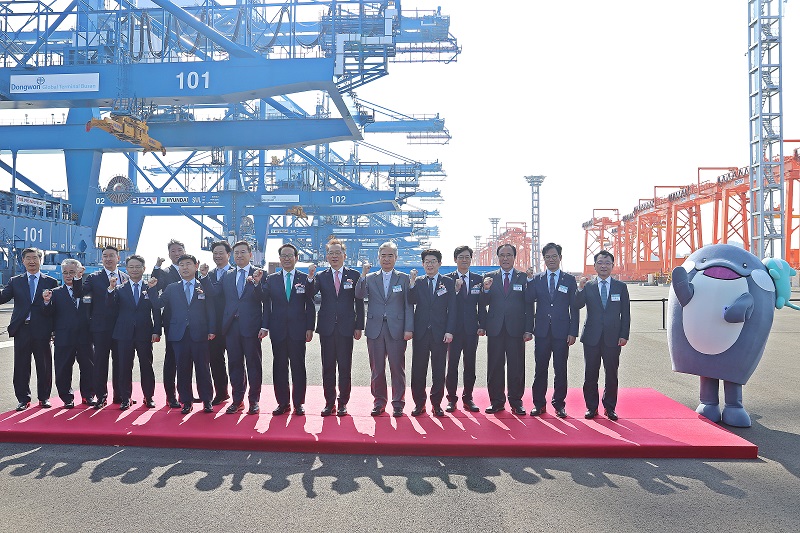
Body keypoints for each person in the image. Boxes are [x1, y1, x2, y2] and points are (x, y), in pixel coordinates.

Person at [202, 241, 265, 415]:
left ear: (250, 255)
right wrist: (205, 277)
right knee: (235, 364)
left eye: (243, 252)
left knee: (253, 365)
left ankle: (254, 401)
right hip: (231, 327)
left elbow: (265, 299)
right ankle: (238, 400)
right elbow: (214, 292)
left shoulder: (260, 273)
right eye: (236, 253)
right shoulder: (228, 275)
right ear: (232, 256)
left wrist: (257, 284)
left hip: (251, 326)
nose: (239, 255)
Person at [354, 241, 414, 417]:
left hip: (397, 329)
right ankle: (379, 402)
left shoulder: (403, 278)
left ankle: (398, 403)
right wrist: (363, 274)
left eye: (390, 256)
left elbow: (408, 305)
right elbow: (359, 294)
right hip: (375, 329)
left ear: (396, 257)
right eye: (383, 256)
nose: (386, 259)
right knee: (377, 369)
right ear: (378, 257)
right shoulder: (370, 278)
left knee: (397, 368)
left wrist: (408, 328)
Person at [309, 238, 364, 417]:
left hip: (347, 327)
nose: (334, 256)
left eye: (337, 253)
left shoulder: (354, 275)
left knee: (345, 367)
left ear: (344, 255)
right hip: (326, 328)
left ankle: (343, 403)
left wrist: (359, 326)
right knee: (328, 367)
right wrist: (310, 278)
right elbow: (310, 294)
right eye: (331, 253)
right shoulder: (321, 276)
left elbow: (359, 302)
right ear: (327, 256)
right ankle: (329, 402)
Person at [0, 247, 58, 411]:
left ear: (40, 260)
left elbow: (54, 310)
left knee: (44, 365)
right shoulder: (15, 281)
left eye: (35, 258)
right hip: (22, 330)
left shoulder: (51, 282)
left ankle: (44, 398)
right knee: (21, 366)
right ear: (23, 261)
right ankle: (23, 399)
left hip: (42, 330)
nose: (32, 261)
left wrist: (54, 329)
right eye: (28, 258)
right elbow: (3, 298)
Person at [576, 250, 631, 421]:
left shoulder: (620, 287)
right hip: (591, 337)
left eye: (607, 263)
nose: (604, 266)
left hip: (613, 338)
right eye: (600, 263)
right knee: (590, 374)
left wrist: (624, 335)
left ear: (612, 266)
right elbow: (577, 304)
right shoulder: (589, 286)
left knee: (611, 374)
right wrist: (579, 288)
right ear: (595, 266)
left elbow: (626, 313)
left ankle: (610, 407)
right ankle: (591, 407)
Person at [526, 243, 579, 418]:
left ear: (560, 258)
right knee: (540, 369)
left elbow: (574, 307)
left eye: (554, 256)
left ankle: (559, 404)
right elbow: (529, 300)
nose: (551, 260)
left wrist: (573, 332)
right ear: (544, 259)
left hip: (562, 333)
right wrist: (528, 281)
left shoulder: (569, 280)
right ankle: (539, 404)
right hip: (542, 332)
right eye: (547, 257)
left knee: (560, 370)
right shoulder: (537, 279)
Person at [479, 243, 533, 415]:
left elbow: (529, 305)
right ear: (498, 257)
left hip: (516, 329)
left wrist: (528, 329)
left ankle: (516, 402)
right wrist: (485, 290)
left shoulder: (523, 277)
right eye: (502, 255)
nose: (505, 258)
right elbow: (482, 303)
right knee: (495, 366)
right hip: (495, 328)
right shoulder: (489, 277)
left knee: (516, 366)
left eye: (509, 255)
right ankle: (496, 402)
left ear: (514, 257)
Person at [159, 254, 216, 414]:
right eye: (182, 265)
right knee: (183, 369)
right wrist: (150, 289)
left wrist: (212, 329)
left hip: (200, 333)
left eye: (188, 264)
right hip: (179, 334)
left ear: (196, 266)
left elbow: (210, 309)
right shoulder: (172, 288)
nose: (185, 267)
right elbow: (158, 304)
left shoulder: (203, 285)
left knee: (203, 368)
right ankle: (186, 401)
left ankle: (207, 400)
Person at [262, 243, 315, 416]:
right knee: (279, 367)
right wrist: (265, 326)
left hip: (298, 330)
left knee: (298, 367)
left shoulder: (304, 278)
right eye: (283, 256)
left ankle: (298, 403)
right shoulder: (271, 279)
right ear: (279, 259)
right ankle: (282, 403)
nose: (286, 259)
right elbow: (265, 303)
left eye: (290, 255)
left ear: (296, 258)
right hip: (278, 330)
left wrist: (310, 327)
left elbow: (310, 304)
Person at [72, 245, 127, 409]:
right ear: (101, 259)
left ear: (118, 258)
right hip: (100, 327)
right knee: (100, 362)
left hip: (121, 327)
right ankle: (101, 396)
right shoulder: (93, 277)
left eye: (111, 255)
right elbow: (79, 293)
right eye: (105, 256)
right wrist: (77, 278)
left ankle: (120, 396)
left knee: (120, 362)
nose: (108, 259)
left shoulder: (125, 277)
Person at [107, 255, 161, 410]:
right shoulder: (119, 289)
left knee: (147, 366)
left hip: (145, 333)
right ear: (126, 269)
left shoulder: (150, 288)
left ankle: (148, 397)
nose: (135, 269)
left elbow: (156, 310)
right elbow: (110, 307)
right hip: (123, 334)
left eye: (138, 267)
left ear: (144, 269)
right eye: (131, 267)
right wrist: (110, 290)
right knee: (124, 367)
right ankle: (126, 398)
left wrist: (157, 330)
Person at [407, 249, 456, 417]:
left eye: (433, 261)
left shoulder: (448, 282)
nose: (430, 264)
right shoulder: (418, 282)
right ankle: (419, 404)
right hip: (421, 333)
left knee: (438, 370)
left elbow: (452, 309)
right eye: (426, 262)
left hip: (440, 333)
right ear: (422, 264)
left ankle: (436, 404)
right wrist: (411, 283)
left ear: (439, 263)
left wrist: (449, 331)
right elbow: (411, 300)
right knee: (418, 370)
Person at [41, 259, 94, 408]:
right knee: (63, 369)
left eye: (72, 272)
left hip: (85, 336)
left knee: (89, 367)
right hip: (64, 337)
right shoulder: (55, 293)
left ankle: (88, 395)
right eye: (65, 272)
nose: (69, 275)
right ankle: (67, 398)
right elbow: (48, 314)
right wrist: (46, 302)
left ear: (79, 272)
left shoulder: (87, 291)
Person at [444, 245, 485, 413]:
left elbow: (481, 305)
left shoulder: (478, 279)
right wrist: (455, 291)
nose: (464, 260)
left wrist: (482, 325)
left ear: (471, 259)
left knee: (470, 365)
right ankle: (451, 399)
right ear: (455, 259)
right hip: (453, 330)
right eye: (461, 257)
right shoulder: (447, 279)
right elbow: (444, 304)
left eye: (467, 257)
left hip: (471, 330)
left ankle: (468, 398)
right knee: (452, 365)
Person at [150, 239, 186, 408]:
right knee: (171, 359)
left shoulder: (193, 269)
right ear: (169, 254)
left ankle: (185, 393)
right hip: (172, 322)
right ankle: (170, 396)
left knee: (187, 359)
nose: (177, 253)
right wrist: (156, 267)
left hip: (192, 323)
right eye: (173, 251)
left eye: (179, 250)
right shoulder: (164, 272)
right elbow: (155, 284)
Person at [206, 240, 233, 405]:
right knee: (215, 360)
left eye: (221, 253)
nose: (218, 256)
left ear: (228, 255)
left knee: (236, 361)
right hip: (214, 325)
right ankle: (221, 393)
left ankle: (239, 396)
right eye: (215, 253)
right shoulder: (207, 275)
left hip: (233, 324)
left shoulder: (236, 273)